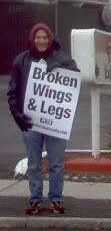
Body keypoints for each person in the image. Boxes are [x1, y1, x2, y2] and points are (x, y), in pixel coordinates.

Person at [7, 23, 78, 215]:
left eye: (44, 37)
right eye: (38, 37)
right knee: (33, 163)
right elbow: (12, 92)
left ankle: (56, 199)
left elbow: (75, 78)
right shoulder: (21, 60)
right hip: (31, 122)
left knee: (56, 163)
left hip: (55, 123)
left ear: (50, 38)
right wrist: (18, 116)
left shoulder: (62, 59)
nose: (41, 41)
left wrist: (56, 68)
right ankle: (35, 200)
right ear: (32, 39)